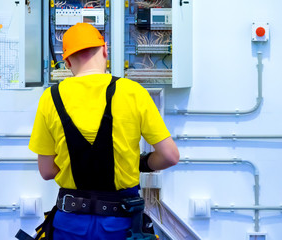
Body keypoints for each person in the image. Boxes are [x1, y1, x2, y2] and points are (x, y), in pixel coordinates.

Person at [28, 22, 179, 240]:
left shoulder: (50, 98)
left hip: (69, 225)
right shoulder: (133, 92)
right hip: (122, 226)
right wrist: (142, 162)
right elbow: (170, 156)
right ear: (105, 50)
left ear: (67, 61)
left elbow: (47, 171)